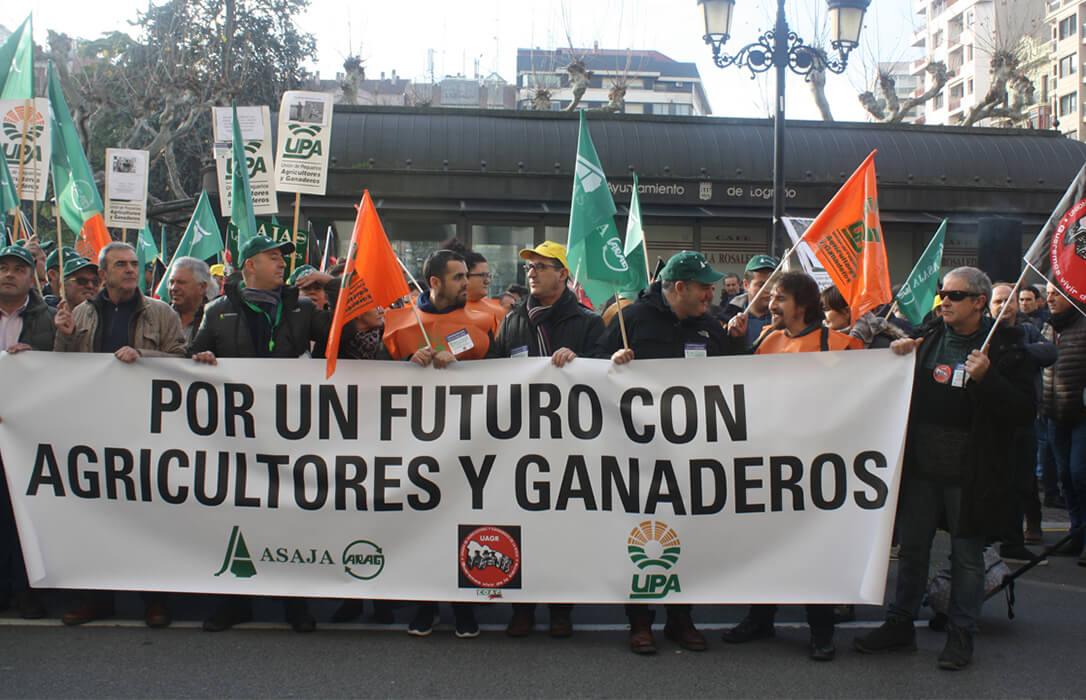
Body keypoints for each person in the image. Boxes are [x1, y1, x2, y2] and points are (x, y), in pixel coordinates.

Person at [854, 267, 1035, 671]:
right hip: (921, 468)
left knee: (966, 558)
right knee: (913, 550)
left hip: (971, 475)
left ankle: (961, 633)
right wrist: (897, 357)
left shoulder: (1005, 347)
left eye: (955, 294)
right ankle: (900, 624)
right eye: (942, 293)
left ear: (978, 302)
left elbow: (1025, 410)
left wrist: (988, 380)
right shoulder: (929, 335)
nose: (945, 300)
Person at [598, 250, 745, 655]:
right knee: (642, 534)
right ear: (679, 288)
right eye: (704, 286)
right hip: (639, 453)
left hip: (691, 456)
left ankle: (682, 618)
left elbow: (738, 382)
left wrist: (735, 344)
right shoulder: (632, 321)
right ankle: (640, 620)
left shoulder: (711, 326)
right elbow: (592, 370)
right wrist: (612, 363)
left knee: (688, 534)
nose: (711, 292)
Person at [190, 236, 331, 633]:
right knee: (235, 513)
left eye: (282, 259)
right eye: (273, 258)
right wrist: (200, 359)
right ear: (250, 265)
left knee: (290, 514)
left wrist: (332, 285)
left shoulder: (301, 308)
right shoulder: (217, 311)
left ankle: (295, 603)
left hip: (290, 433)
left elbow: (343, 336)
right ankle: (233, 603)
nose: (282, 264)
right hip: (235, 436)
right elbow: (190, 358)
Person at [724, 271, 860, 662]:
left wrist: (898, 353)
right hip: (769, 461)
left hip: (816, 468)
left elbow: (870, 387)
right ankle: (760, 617)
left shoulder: (838, 345)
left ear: (803, 305)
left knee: (813, 549)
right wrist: (735, 342)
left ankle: (821, 631)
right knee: (765, 545)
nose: (770, 304)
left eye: (779, 298)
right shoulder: (766, 339)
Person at [53, 241, 185, 628]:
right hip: (95, 427)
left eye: (134, 264)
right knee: (96, 514)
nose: (130, 270)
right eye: (121, 265)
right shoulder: (80, 313)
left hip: (146, 429)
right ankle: (96, 597)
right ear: (103, 273)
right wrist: (62, 337)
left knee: (149, 515)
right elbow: (62, 370)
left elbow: (182, 359)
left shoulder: (161, 313)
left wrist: (144, 357)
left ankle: (155, 599)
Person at [489, 241, 604, 639]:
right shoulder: (512, 321)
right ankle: (523, 606)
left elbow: (607, 378)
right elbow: (492, 373)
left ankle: (560, 608)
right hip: (522, 444)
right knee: (524, 526)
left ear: (564, 274)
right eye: (530, 267)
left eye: (542, 266)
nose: (532, 273)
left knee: (563, 528)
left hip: (570, 445)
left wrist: (583, 365)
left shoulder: (589, 323)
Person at [0, 244, 55, 619]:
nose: (8, 274)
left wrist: (39, 353)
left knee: (22, 515)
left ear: (31, 277)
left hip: (26, 433)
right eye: (2, 267)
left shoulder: (49, 319)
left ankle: (25, 591)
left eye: (18, 269)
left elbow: (64, 366)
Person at [990, 283, 1054, 560]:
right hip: (991, 420)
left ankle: (1016, 540)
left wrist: (1021, 352)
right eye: (997, 301)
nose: (1003, 306)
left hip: (1023, 419)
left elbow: (1050, 353)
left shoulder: (1029, 330)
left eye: (1008, 300)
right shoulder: (983, 334)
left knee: (1021, 481)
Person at [381, 249, 493, 366]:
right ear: (435, 283)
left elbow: (496, 370)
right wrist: (409, 361)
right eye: (458, 277)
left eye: (466, 276)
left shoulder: (482, 323)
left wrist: (458, 365)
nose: (466, 283)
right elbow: (379, 369)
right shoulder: (397, 324)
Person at [1040, 283, 1086, 561]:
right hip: (1054, 414)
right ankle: (1076, 534)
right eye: (1048, 293)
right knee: (1065, 477)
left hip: (1081, 415)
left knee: (1080, 474)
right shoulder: (1049, 327)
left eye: (1057, 293)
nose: (1050, 298)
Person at [820, 285, 906, 349]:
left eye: (826, 309)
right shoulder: (823, 343)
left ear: (846, 311)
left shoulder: (881, 344)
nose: (822, 315)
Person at [721, 255, 777, 350]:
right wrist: (733, 339)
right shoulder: (727, 320)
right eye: (761, 285)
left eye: (773, 284)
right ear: (746, 285)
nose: (768, 290)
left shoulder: (786, 321)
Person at [168, 256, 213, 345]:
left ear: (202, 287)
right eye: (171, 282)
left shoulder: (215, 319)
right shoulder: (160, 317)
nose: (174, 288)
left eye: (181, 282)